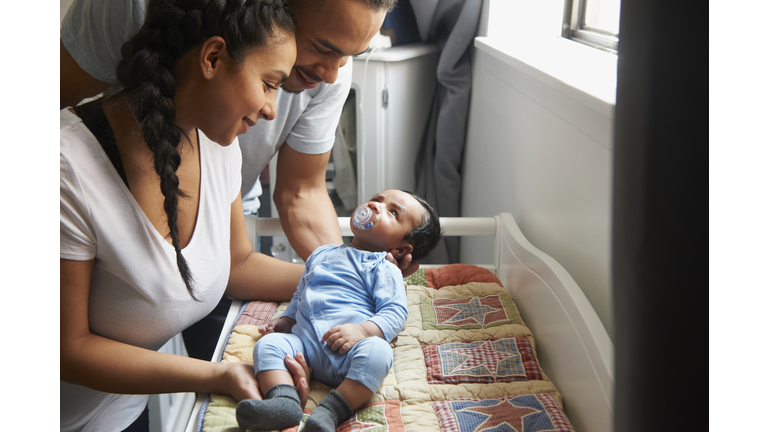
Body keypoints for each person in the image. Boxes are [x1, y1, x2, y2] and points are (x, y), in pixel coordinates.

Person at [60, 0, 415, 362]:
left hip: (222, 225)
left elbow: (300, 192)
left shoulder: (221, 151)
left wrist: (347, 273)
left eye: (350, 56)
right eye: (323, 48)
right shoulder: (133, 11)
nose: (332, 74)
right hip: (106, 209)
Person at [60, 1, 314, 431]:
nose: (272, 108)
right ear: (212, 58)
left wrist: (337, 273)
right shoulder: (67, 168)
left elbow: (238, 265)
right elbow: (68, 350)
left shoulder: (218, 142)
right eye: (269, 84)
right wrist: (219, 374)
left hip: (123, 409)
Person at [235, 190, 442, 432]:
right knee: (268, 345)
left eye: (393, 212)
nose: (375, 206)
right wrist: (287, 319)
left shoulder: (383, 268)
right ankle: (284, 403)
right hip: (304, 347)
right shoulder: (322, 253)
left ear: (400, 249)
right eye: (377, 200)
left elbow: (395, 312)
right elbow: (302, 291)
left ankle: (330, 411)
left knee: (379, 352)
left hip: (350, 349)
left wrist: (363, 331)